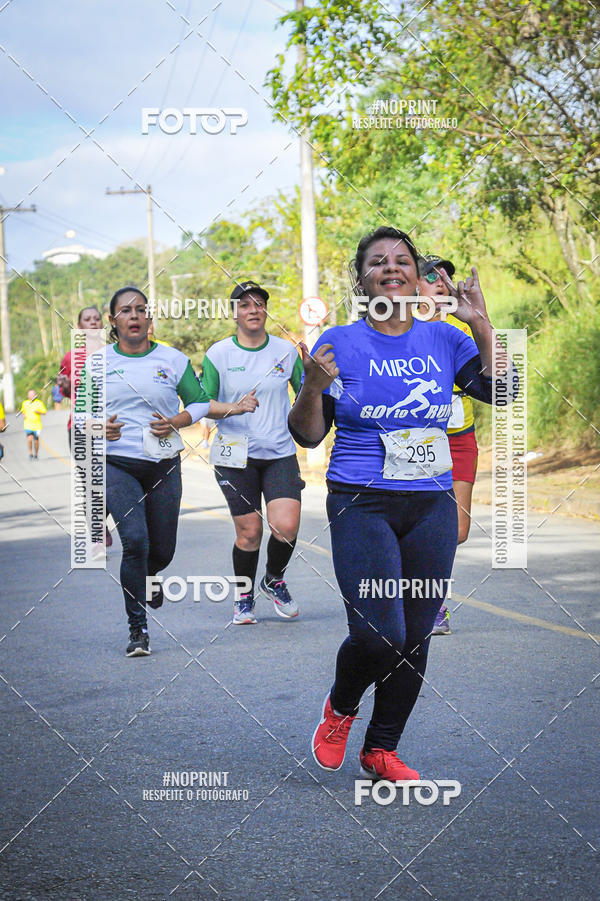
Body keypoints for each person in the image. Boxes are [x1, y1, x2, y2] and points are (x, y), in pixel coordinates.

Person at [289, 226, 513, 782]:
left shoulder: (447, 338)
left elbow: (504, 391)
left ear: (418, 276)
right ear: (362, 281)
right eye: (378, 262)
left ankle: (381, 749)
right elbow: (308, 436)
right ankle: (340, 708)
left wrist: (480, 322)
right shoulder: (339, 341)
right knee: (378, 632)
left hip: (430, 504)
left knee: (415, 635)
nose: (392, 268)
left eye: (403, 261)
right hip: (362, 502)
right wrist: (312, 388)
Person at [87, 286, 258, 657]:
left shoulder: (173, 359)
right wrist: (101, 427)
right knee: (135, 542)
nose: (134, 316)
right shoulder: (96, 363)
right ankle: (138, 629)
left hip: (163, 463)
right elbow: (81, 419)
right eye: (125, 311)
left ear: (149, 318)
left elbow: (198, 404)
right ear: (113, 321)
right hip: (117, 462)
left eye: (141, 310)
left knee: (161, 550)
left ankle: (150, 577)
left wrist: (177, 420)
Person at [201, 279, 305, 625]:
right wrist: (234, 407)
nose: (253, 310)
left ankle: (274, 579)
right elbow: (203, 405)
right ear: (235, 313)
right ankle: (243, 596)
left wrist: (318, 378)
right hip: (235, 455)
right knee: (249, 532)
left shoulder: (286, 351)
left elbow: (307, 393)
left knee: (286, 526)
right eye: (245, 305)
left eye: (259, 304)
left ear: (266, 310)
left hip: (278, 451)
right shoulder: (219, 354)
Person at [418, 253, 480, 635]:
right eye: (431, 276)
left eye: (445, 276)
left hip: (460, 438)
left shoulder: (461, 331)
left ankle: (431, 596)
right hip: (416, 443)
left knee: (456, 531)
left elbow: (497, 381)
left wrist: (478, 320)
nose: (441, 282)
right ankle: (429, 603)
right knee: (417, 524)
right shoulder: (401, 329)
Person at [20, 390, 47, 459]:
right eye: (30, 395)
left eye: (32, 395)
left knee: (36, 440)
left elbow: (44, 412)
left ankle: (36, 454)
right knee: (29, 439)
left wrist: (38, 412)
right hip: (28, 425)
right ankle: (30, 453)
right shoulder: (25, 403)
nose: (31, 396)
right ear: (28, 396)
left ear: (35, 395)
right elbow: (22, 411)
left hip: (37, 426)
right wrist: (23, 415)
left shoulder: (39, 403)